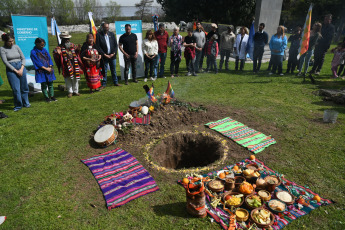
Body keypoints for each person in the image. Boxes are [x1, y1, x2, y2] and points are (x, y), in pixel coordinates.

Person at [0, 33, 30, 111]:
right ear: (5, 41)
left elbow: (23, 58)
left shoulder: (16, 47)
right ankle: (18, 105)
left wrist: (21, 68)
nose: (12, 43)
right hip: (11, 69)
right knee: (16, 89)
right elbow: (5, 62)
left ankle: (26, 103)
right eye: (10, 41)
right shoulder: (2, 49)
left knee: (24, 87)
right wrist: (16, 71)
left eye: (12, 41)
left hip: (21, 66)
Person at [53, 31, 83, 98]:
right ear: (62, 39)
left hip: (74, 64)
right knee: (68, 79)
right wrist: (58, 54)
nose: (67, 40)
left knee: (75, 78)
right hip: (65, 66)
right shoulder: (59, 48)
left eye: (68, 39)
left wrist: (78, 50)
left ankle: (76, 91)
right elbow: (55, 56)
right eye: (65, 39)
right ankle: (70, 92)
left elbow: (77, 53)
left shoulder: (72, 45)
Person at [30, 37, 57, 102]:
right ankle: (47, 97)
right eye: (41, 45)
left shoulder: (44, 50)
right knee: (44, 84)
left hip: (49, 69)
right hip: (41, 70)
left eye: (43, 44)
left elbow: (49, 58)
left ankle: (52, 96)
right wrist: (45, 68)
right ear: (37, 44)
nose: (42, 46)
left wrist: (50, 66)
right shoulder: (33, 52)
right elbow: (37, 62)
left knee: (50, 83)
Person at [96, 22, 120, 87]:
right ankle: (104, 84)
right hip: (104, 56)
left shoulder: (111, 34)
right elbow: (98, 46)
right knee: (105, 71)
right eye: (105, 27)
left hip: (112, 56)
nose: (107, 28)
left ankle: (115, 82)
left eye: (108, 27)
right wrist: (104, 54)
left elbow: (115, 45)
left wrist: (114, 53)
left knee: (113, 70)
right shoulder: (98, 35)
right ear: (102, 27)